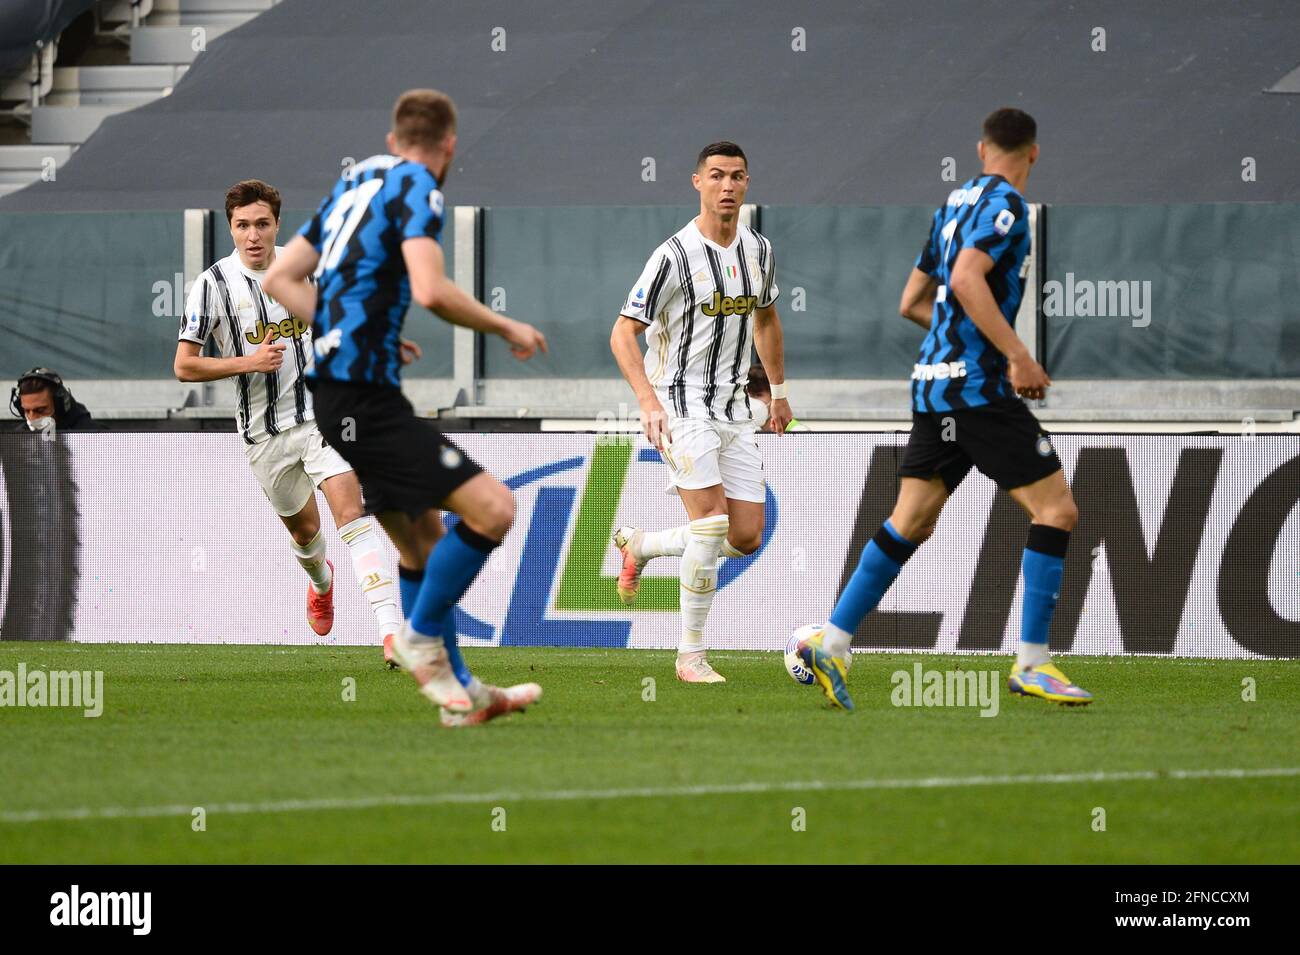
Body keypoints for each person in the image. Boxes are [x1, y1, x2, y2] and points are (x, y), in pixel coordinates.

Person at [264, 89, 549, 727]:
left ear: (394, 140)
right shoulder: (421, 184)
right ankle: (419, 640)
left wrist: (358, 327)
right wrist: (506, 327)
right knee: (494, 508)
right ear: (449, 146)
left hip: (337, 391)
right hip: (364, 397)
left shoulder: (356, 179)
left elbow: (279, 279)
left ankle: (461, 696)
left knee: (421, 542)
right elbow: (429, 287)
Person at [795, 108, 1091, 711]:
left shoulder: (951, 205)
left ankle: (833, 641)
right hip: (978, 390)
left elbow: (911, 302)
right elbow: (965, 279)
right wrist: (1016, 356)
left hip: (932, 386)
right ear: (1033, 154)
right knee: (1055, 510)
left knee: (912, 520)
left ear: (982, 149)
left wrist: (959, 342)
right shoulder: (1008, 208)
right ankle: (1033, 662)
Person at [175, 179, 406, 660]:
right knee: (305, 534)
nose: (253, 235)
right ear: (231, 229)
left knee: (351, 513)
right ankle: (322, 582)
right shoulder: (211, 286)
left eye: (262, 224)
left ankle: (391, 632)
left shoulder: (307, 269)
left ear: (277, 225)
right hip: (263, 436)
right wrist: (247, 362)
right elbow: (184, 365)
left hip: (323, 418)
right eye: (242, 226)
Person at [609, 141, 792, 684]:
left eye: (737, 176)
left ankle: (644, 545)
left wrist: (777, 392)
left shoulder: (759, 250)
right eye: (716, 176)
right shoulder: (673, 256)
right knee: (710, 526)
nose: (727, 186)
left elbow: (766, 322)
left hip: (734, 406)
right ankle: (690, 656)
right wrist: (646, 401)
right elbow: (623, 333)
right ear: (697, 183)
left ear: (747, 183)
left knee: (744, 536)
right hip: (679, 402)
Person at [9, 368, 94, 433]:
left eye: (40, 410)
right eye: (26, 410)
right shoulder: (18, 437)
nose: (32, 418)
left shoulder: (91, 436)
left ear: (60, 405)